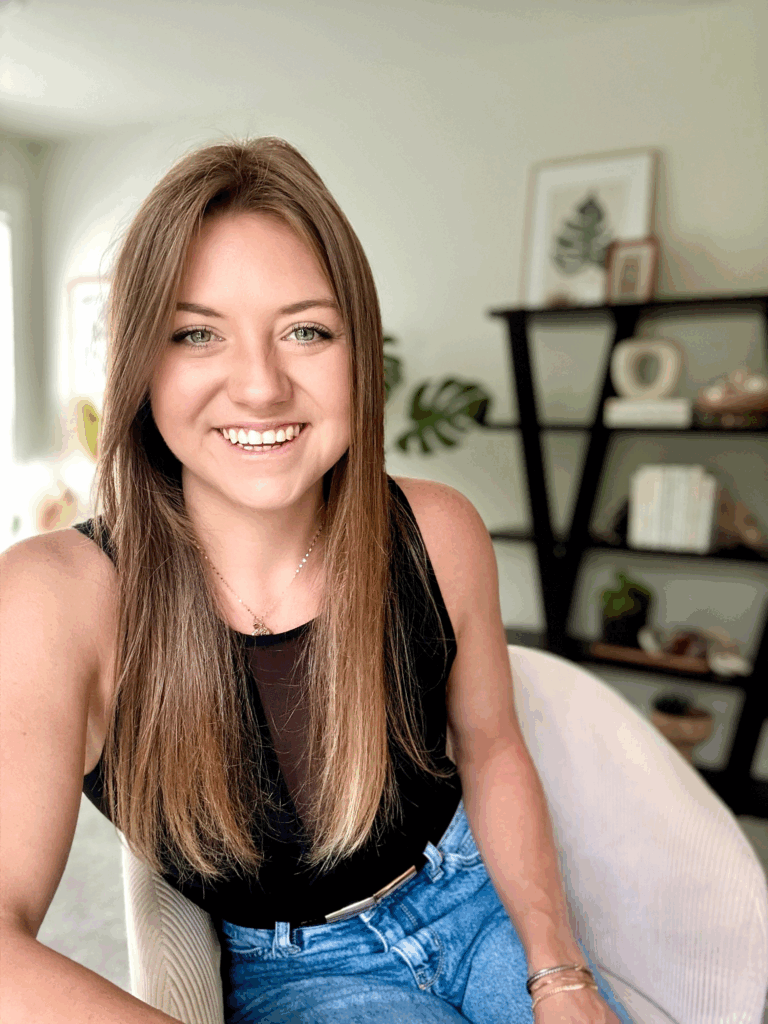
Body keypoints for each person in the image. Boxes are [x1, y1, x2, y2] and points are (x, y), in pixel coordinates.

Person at [0, 137, 633, 1024]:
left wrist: (557, 974)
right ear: (142, 364)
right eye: (196, 333)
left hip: (474, 898)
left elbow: (490, 749)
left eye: (306, 329)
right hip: (297, 969)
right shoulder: (54, 598)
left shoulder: (438, 532)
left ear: (357, 351)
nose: (260, 386)